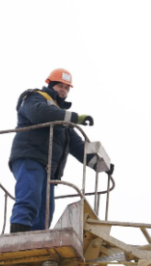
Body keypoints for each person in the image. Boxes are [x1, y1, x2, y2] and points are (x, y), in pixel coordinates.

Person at [8, 68, 96, 233]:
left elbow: (77, 145)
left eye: (66, 88)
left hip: (48, 169)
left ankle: (36, 242)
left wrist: (99, 164)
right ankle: (18, 234)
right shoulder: (34, 97)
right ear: (51, 85)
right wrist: (75, 117)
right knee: (29, 196)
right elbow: (39, 113)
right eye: (60, 86)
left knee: (45, 211)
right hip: (30, 157)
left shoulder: (60, 117)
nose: (63, 90)